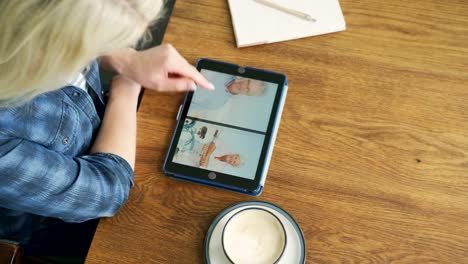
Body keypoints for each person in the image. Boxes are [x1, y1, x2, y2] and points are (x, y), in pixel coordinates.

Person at [0, 0, 214, 257]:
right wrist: (126, 89)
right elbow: (106, 192)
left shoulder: (26, 28)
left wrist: (127, 60)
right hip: (51, 225)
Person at [191, 76, 266, 110]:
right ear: (246, 78)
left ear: (247, 95)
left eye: (247, 89)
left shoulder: (217, 104)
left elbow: (188, 106)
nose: (243, 87)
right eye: (247, 82)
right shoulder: (223, 72)